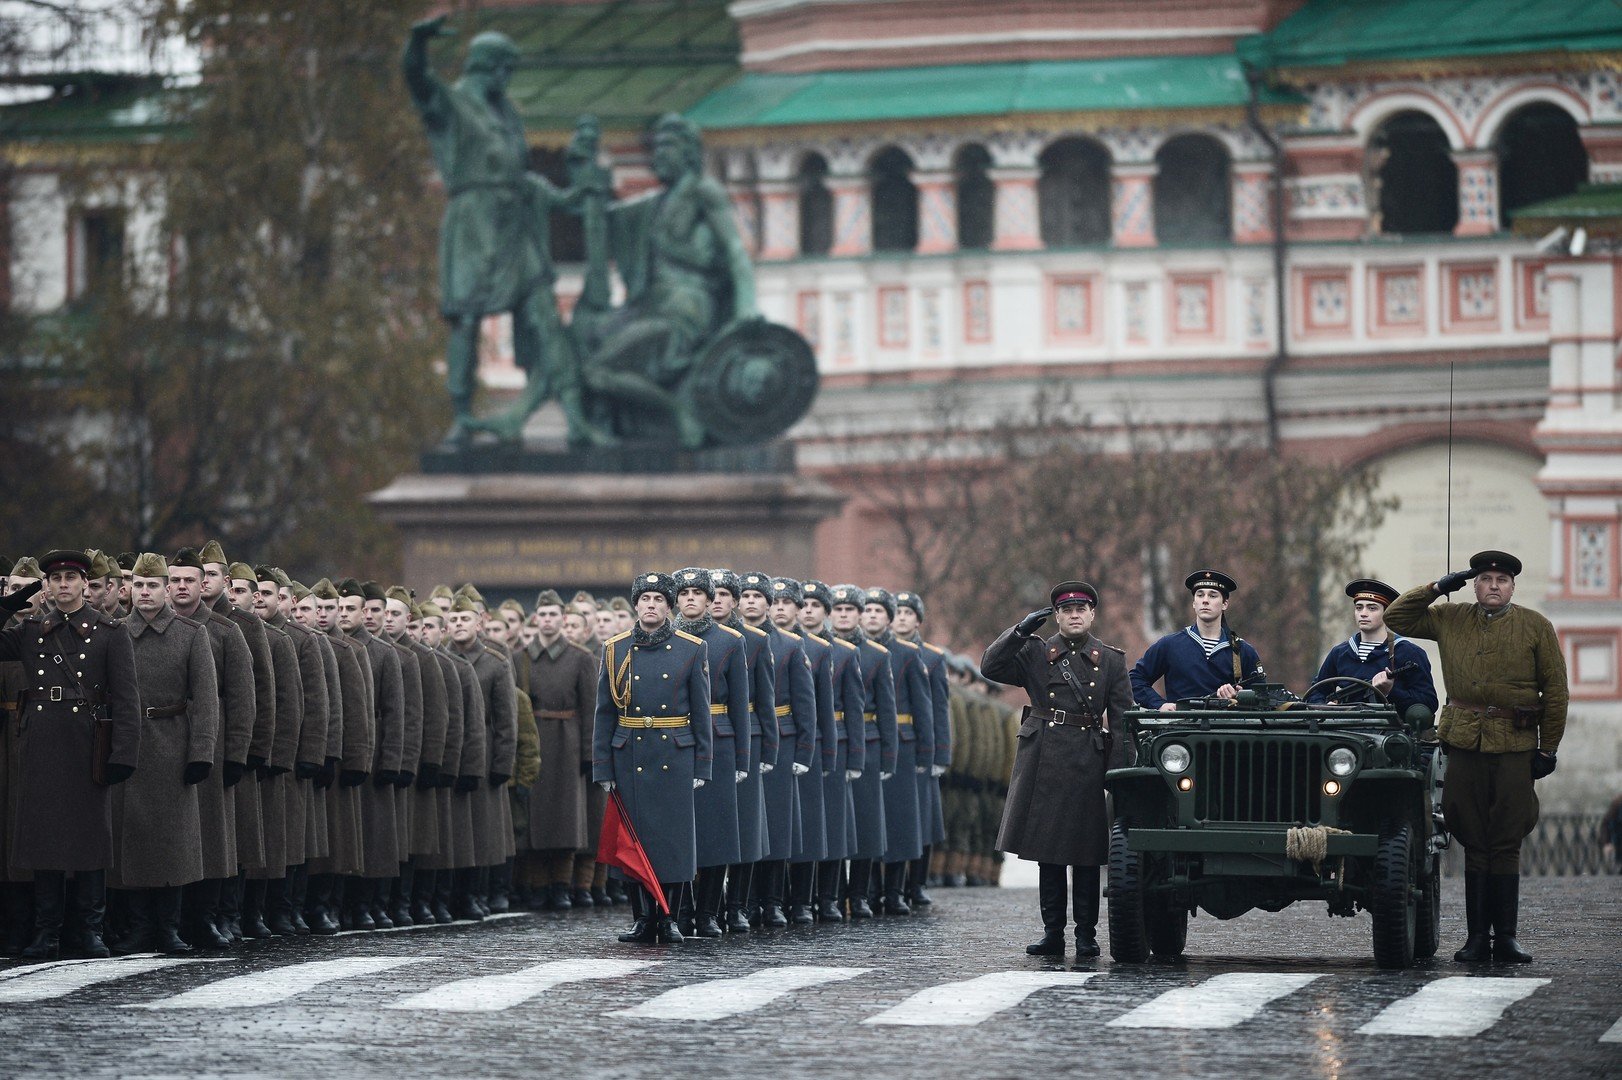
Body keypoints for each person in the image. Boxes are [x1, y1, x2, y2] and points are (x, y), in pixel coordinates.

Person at [1385, 550, 1567, 964]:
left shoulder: (1536, 627)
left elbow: (1555, 692)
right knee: (1470, 834)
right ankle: (1474, 938)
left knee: (1505, 839)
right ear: (1474, 584)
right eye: (1485, 578)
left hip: (1514, 745)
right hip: (1465, 743)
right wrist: (1437, 587)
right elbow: (1397, 617)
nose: (1494, 586)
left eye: (1502, 580)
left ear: (1513, 587)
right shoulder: (1451, 617)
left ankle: (1505, 937)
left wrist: (1548, 748)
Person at [0, 551, 141, 960]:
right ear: (46, 586)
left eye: (70, 578)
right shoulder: (30, 630)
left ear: (84, 584)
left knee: (90, 839)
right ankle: (47, 931)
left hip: (87, 740)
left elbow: (127, 699)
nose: (63, 584)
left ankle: (89, 930)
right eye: (56, 578)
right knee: (44, 839)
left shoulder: (109, 632)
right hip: (42, 739)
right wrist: (6, 607)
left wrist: (123, 753)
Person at [984, 581, 1134, 958]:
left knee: (1085, 855)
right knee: (1048, 853)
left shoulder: (1111, 660)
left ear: (1092, 614)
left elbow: (1121, 722)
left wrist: (1117, 776)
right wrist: (1019, 631)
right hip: (1043, 759)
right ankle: (1053, 932)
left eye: (1081, 609)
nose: (1074, 615)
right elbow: (991, 666)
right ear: (1056, 616)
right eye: (1066, 610)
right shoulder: (1036, 652)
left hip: (1087, 758)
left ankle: (1086, 934)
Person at [592, 572, 712, 945]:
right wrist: (603, 765)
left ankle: (669, 917)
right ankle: (643, 917)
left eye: (659, 600)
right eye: (644, 599)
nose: (651, 606)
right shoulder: (615, 649)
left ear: (669, 607)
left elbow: (701, 711)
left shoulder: (691, 648)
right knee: (635, 840)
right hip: (630, 752)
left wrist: (702, 763)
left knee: (673, 841)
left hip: (674, 752)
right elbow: (604, 712)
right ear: (636, 605)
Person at [114, 553, 219, 955]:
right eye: (139, 585)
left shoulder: (191, 634)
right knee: (134, 838)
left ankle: (170, 926)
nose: (145, 593)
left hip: (174, 742)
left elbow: (206, 699)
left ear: (166, 590)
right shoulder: (115, 631)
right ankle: (139, 926)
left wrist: (201, 752)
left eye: (153, 585)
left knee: (175, 840)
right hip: (129, 742)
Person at [671, 568, 748, 937]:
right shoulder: (662, 639)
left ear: (708, 599)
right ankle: (681, 910)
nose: (690, 598)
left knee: (716, 833)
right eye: (683, 592)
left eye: (698, 593)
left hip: (719, 741)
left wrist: (743, 758)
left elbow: (740, 705)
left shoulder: (731, 641)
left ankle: (708, 912)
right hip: (674, 739)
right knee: (679, 831)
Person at [739, 572, 814, 928]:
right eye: (746, 595)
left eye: (759, 596)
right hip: (741, 738)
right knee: (747, 825)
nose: (751, 602)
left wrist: (802, 751)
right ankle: (744, 900)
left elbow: (805, 704)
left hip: (779, 739)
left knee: (777, 825)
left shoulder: (789, 645)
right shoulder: (729, 639)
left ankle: (772, 901)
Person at [516, 589, 598, 912]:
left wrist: (590, 755)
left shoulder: (581, 658)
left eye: (554, 615)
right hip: (534, 740)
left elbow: (591, 707)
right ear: (535, 619)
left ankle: (562, 885)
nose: (548, 621)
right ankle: (538, 885)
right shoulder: (520, 657)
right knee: (534, 816)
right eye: (543, 615)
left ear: (563, 619)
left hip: (568, 742)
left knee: (566, 818)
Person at [861, 587, 933, 916]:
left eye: (879, 611)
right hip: (865, 742)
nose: (872, 616)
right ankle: (869, 889)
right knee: (870, 821)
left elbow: (925, 708)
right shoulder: (853, 650)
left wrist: (929, 754)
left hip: (902, 744)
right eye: (868, 610)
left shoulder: (906, 654)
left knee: (900, 822)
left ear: (889, 618)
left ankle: (895, 889)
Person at [827, 585, 896, 919]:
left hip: (866, 740)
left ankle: (861, 892)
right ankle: (834, 892)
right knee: (836, 823)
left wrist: (888, 755)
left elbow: (886, 709)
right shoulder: (820, 648)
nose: (843, 615)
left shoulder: (877, 655)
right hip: (834, 740)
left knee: (867, 823)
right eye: (837, 609)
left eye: (849, 610)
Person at [711, 568, 774, 931]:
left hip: (743, 737)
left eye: (724, 594)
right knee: (711, 828)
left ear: (735, 600)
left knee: (745, 828)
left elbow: (763, 703)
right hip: (704, 738)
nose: (717, 599)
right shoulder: (685, 638)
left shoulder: (753, 641)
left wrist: (766, 751)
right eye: (712, 593)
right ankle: (704, 904)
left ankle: (737, 904)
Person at [801, 581, 863, 921]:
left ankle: (829, 896)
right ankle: (801, 895)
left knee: (833, 825)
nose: (808, 610)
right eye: (804, 604)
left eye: (815, 605)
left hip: (833, 743)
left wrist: (854, 756)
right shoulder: (791, 646)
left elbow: (852, 709)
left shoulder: (841, 652)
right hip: (800, 743)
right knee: (805, 825)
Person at [1130, 570, 1265, 710]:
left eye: (1213, 595)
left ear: (1225, 604)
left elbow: (1263, 698)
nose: (1205, 600)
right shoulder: (1170, 645)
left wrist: (1239, 697)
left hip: (1226, 729)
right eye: (1200, 595)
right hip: (1179, 729)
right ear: (1194, 603)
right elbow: (1135, 679)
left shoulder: (1242, 650)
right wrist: (1160, 705)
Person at [1305, 579, 1438, 718]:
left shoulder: (1408, 652)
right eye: (1358, 607)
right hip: (1344, 732)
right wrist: (1325, 708)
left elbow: (1428, 703)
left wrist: (1390, 691)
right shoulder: (1340, 653)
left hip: (1392, 733)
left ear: (1386, 613)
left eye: (1372, 608)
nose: (1363, 613)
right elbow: (1316, 692)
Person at [894, 590, 951, 906]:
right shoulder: (882, 652)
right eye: (898, 612)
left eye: (908, 613)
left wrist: (940, 752)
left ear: (918, 620)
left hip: (920, 744)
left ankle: (916, 882)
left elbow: (939, 709)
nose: (901, 618)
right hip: (893, 744)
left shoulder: (932, 657)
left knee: (923, 818)